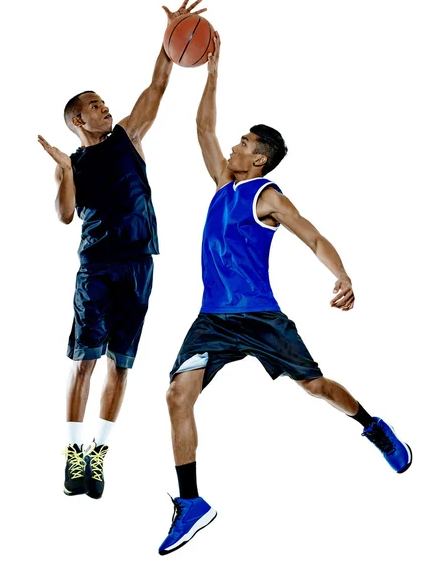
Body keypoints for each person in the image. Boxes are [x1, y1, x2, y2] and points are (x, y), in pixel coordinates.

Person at [158, 33, 412, 555]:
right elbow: (202, 127)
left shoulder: (265, 195)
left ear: (258, 159)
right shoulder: (220, 184)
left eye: (244, 142)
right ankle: (191, 503)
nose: (233, 144)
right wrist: (211, 72)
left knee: (315, 388)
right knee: (176, 395)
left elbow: (312, 235)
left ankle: (373, 427)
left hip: (260, 318)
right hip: (212, 320)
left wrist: (341, 276)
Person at [38, 0, 207, 500]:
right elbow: (66, 214)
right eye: (94, 106)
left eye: (104, 102)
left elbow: (157, 86)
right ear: (77, 121)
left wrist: (170, 39)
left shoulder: (129, 137)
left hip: (138, 264)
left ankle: (99, 455)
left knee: (121, 365)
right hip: (96, 267)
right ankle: (72, 453)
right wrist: (64, 173)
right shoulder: (73, 163)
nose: (104, 107)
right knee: (85, 361)